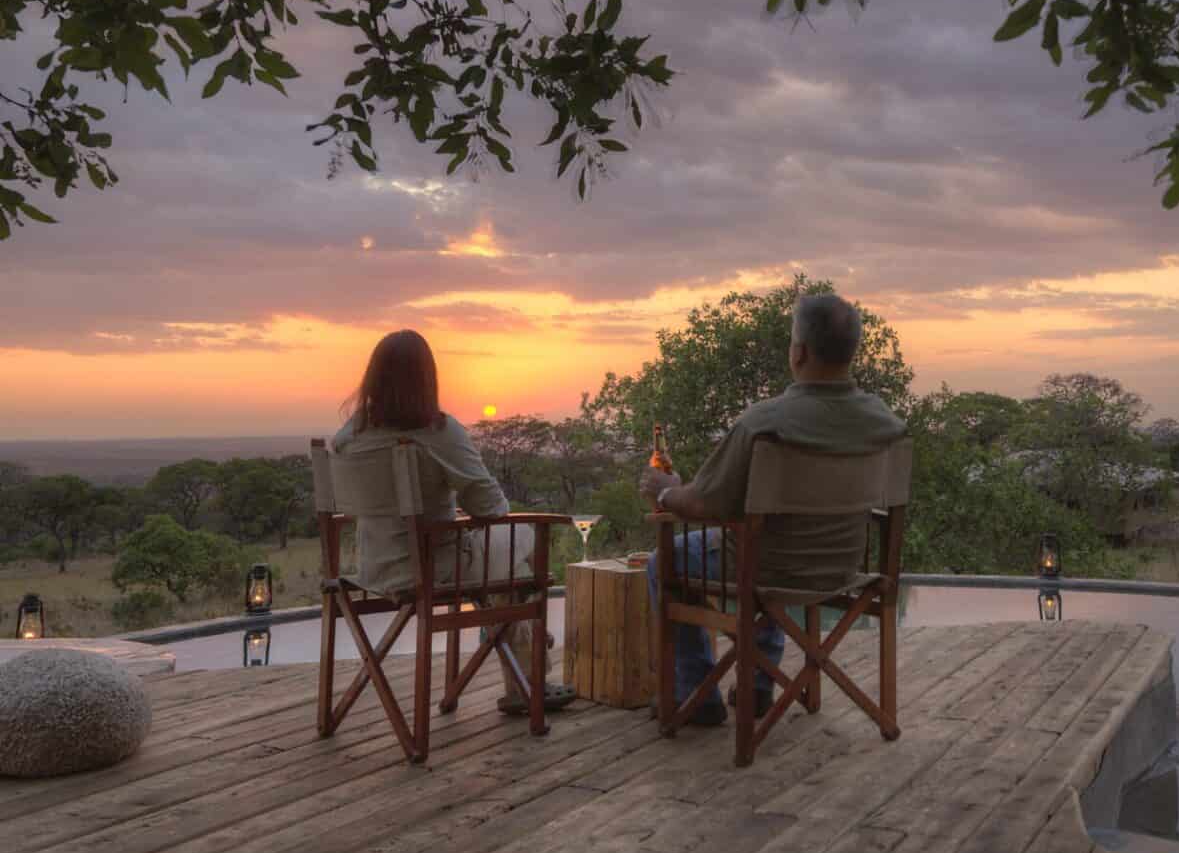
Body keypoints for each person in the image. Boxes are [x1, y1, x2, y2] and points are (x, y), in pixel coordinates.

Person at [639, 294, 907, 725]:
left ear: (799, 351)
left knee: (664, 561)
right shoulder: (885, 422)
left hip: (764, 569)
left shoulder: (765, 422)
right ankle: (758, 685)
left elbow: (705, 502)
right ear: (851, 350)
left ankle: (695, 694)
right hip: (842, 568)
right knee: (762, 546)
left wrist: (667, 492)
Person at [333, 329, 574, 715]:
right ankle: (526, 672)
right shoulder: (437, 432)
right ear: (428, 379)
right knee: (522, 536)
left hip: (372, 570)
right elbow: (492, 507)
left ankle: (512, 642)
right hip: (436, 570)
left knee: (506, 573)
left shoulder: (349, 437)